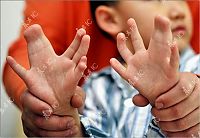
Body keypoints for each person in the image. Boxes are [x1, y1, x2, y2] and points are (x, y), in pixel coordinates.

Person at [3, 0, 200, 137]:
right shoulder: (98, 88)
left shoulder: (196, 73)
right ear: (110, 19)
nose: (179, 10)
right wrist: (59, 112)